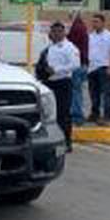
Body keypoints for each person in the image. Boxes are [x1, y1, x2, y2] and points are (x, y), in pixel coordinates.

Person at [42, 21, 80, 152]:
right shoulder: (50, 47)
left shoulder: (69, 47)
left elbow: (75, 64)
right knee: (51, 114)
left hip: (63, 83)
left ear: (63, 32)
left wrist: (57, 70)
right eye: (53, 31)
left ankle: (67, 142)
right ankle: (53, 141)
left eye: (58, 31)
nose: (55, 34)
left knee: (63, 114)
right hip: (49, 83)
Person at [87, 13, 110, 126]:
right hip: (92, 69)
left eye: (96, 21)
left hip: (105, 68)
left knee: (106, 94)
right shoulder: (90, 36)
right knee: (93, 94)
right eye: (93, 21)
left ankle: (107, 117)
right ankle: (95, 114)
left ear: (103, 23)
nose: (94, 24)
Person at [67, 11, 89, 126]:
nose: (69, 18)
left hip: (77, 64)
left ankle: (77, 116)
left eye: (70, 16)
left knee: (75, 91)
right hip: (82, 63)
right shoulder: (82, 27)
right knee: (77, 90)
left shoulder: (77, 28)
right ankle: (77, 115)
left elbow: (71, 43)